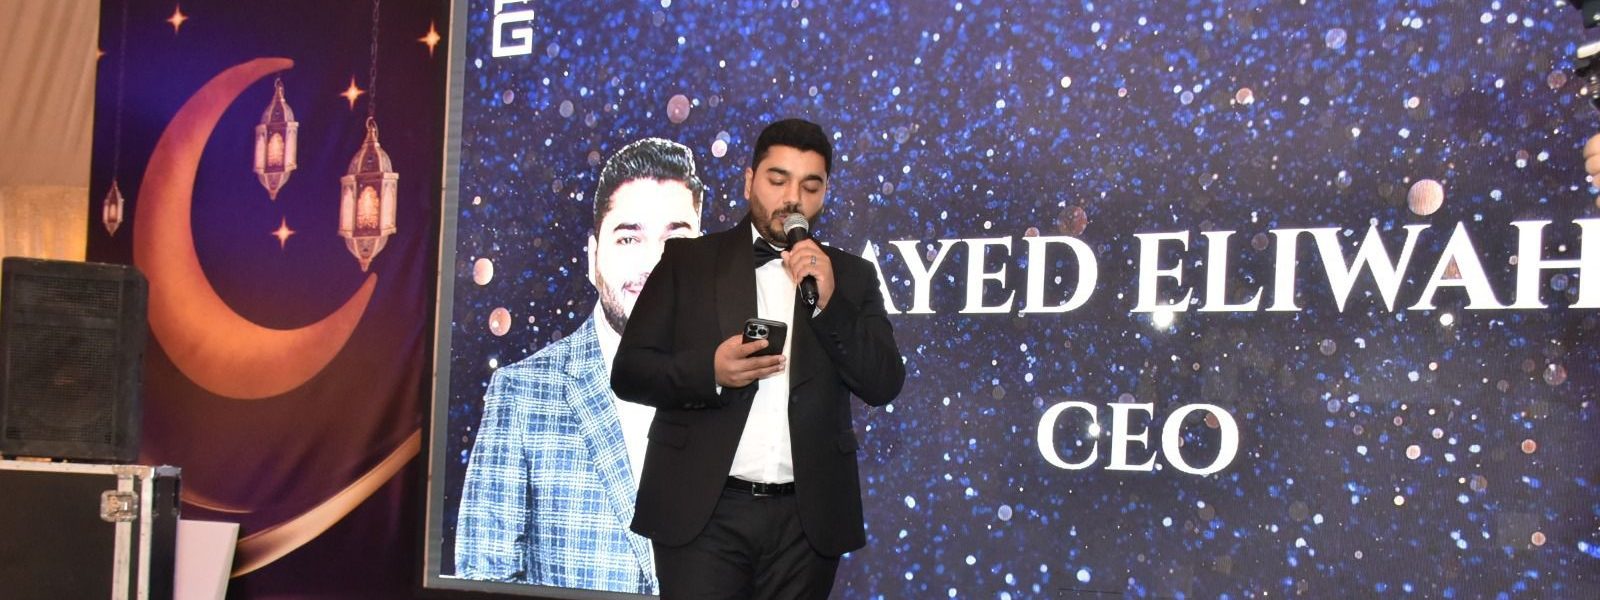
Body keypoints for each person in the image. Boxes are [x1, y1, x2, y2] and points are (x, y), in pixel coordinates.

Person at [611, 118, 905, 599]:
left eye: (810, 186)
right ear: (749, 182)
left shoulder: (850, 276)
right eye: (778, 180)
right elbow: (630, 372)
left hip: (806, 523)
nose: (793, 199)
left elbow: (883, 382)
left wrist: (830, 304)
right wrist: (711, 371)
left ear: (825, 193)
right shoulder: (687, 261)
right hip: (704, 512)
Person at [455, 138, 705, 593]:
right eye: (629, 238)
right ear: (592, 258)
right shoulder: (522, 395)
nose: (654, 262)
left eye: (676, 240)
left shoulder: (739, 391)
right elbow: (483, 582)